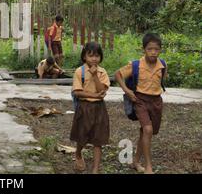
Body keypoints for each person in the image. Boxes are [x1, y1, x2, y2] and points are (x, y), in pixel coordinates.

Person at [115, 33, 167, 174]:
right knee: (148, 130)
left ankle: (135, 162)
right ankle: (148, 165)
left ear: (160, 50)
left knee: (147, 132)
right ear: (144, 49)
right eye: (150, 49)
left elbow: (162, 80)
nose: (153, 52)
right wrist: (127, 91)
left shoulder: (162, 65)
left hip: (156, 102)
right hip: (140, 101)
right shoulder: (136, 65)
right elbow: (118, 74)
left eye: (156, 49)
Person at [70, 42, 110, 174]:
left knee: (98, 139)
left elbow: (102, 91)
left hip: (99, 108)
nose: (94, 59)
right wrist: (94, 95)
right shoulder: (79, 71)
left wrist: (94, 75)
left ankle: (95, 169)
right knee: (82, 136)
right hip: (84, 107)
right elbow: (77, 92)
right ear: (84, 57)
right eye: (90, 55)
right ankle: (78, 153)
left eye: (97, 56)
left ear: (100, 57)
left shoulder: (102, 72)